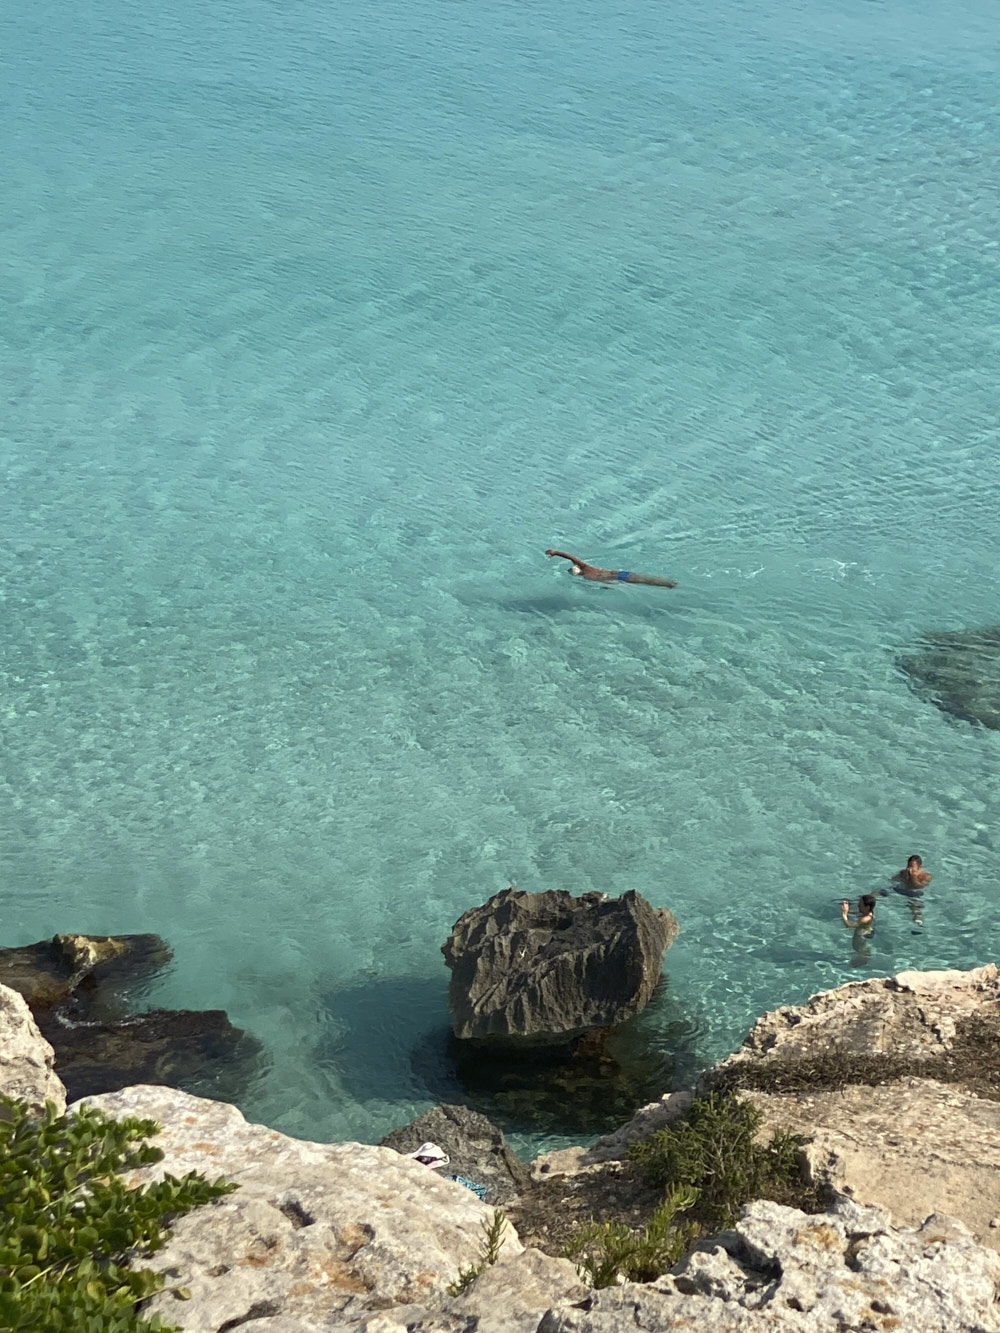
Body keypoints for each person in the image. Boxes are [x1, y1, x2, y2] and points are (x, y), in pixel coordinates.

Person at [545, 549, 678, 588]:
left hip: (618, 578)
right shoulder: (587, 569)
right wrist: (555, 552)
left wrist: (619, 585)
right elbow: (571, 557)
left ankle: (668, 584)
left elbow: (606, 584)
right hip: (619, 574)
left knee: (646, 581)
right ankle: (668, 582)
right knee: (645, 579)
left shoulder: (588, 576)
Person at [894, 854, 931, 929]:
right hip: (902, 889)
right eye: (908, 866)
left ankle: (918, 923)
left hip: (915, 893)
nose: (908, 868)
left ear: (919, 867)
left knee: (915, 906)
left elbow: (917, 886)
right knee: (881, 891)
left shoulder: (926, 876)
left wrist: (913, 877)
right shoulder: (904, 872)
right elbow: (894, 879)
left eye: (911, 867)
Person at [842, 894, 876, 961]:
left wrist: (844, 914)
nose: (858, 906)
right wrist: (848, 909)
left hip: (860, 941)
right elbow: (858, 913)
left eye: (860, 905)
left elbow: (849, 925)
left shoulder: (865, 919)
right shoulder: (869, 913)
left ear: (867, 907)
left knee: (856, 962)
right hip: (862, 938)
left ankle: (865, 957)